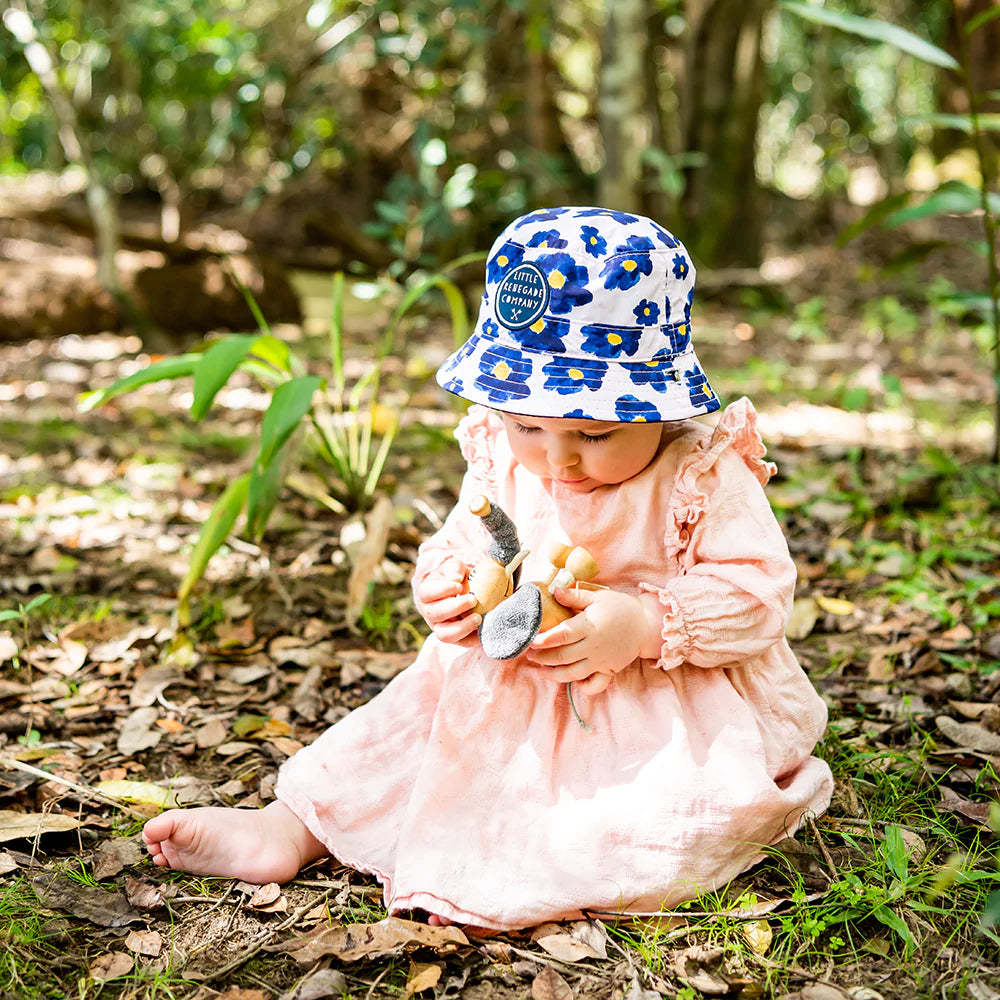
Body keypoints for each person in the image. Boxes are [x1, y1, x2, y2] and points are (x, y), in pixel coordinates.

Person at [143, 206, 834, 930]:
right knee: (400, 739)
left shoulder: (699, 473)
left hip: (657, 698)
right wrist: (448, 585)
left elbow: (756, 596)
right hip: (504, 679)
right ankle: (289, 829)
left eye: (593, 432)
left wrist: (641, 624)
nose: (556, 458)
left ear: (658, 403)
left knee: (632, 807)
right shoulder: (507, 460)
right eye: (527, 424)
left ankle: (513, 868)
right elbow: (469, 537)